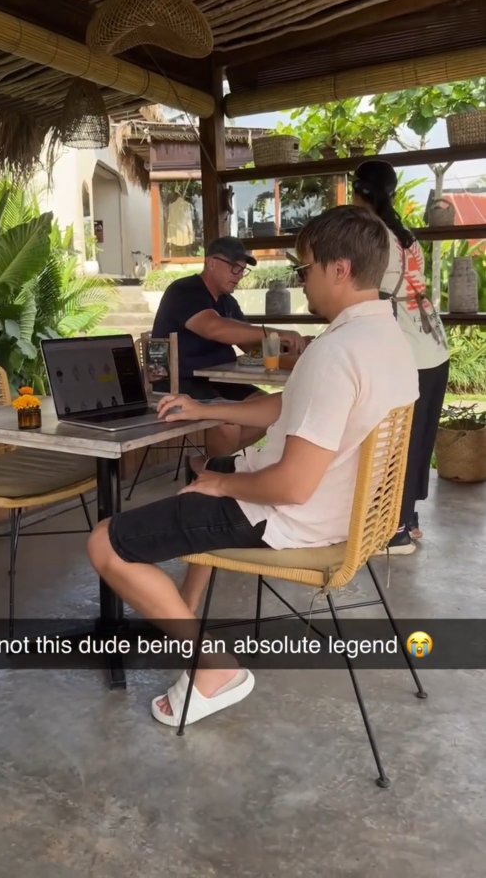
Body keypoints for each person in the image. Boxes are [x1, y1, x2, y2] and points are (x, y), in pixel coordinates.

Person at [88, 206, 418, 728]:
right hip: (350, 515)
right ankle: (183, 611)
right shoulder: (389, 341)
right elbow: (289, 407)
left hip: (292, 519)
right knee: (216, 467)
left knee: (106, 541)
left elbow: (290, 485)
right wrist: (207, 410)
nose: (300, 281)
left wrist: (221, 483)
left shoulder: (336, 352)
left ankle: (215, 668)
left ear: (339, 269)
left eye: (304, 269)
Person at [352, 160, 450, 553]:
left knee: (396, 443)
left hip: (408, 349)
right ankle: (407, 520)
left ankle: (394, 532)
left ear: (359, 191)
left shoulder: (372, 235)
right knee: (417, 441)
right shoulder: (405, 235)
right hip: (433, 346)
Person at [151, 236, 307, 457]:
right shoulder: (184, 291)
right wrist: (277, 333)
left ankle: (211, 465)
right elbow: (215, 328)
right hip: (177, 380)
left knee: (272, 409)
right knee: (228, 422)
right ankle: (215, 471)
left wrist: (290, 349)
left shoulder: (228, 302)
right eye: (234, 267)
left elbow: (248, 343)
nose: (240, 275)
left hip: (219, 380)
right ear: (211, 262)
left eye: (243, 270)